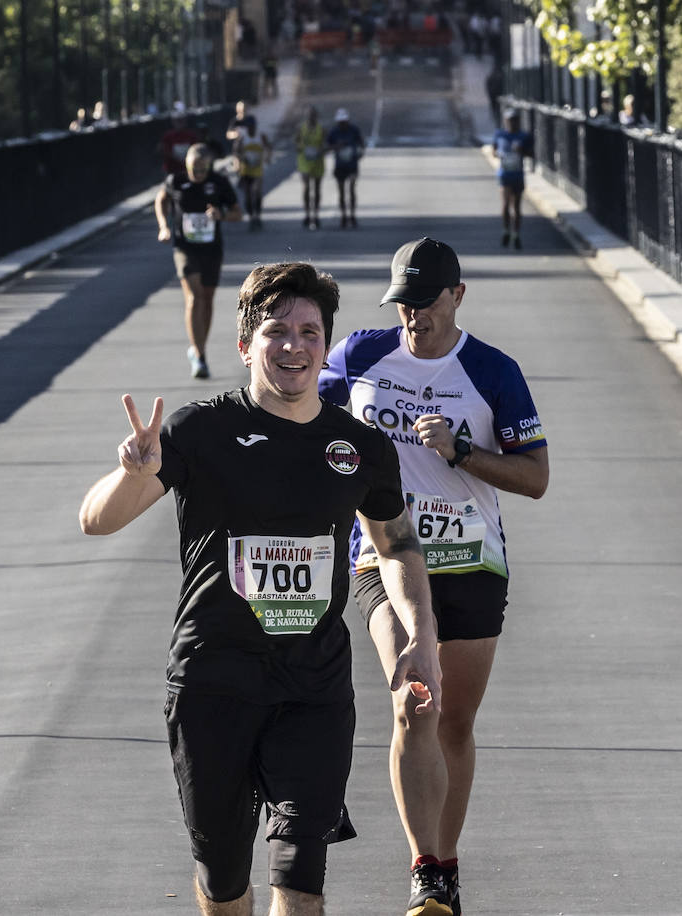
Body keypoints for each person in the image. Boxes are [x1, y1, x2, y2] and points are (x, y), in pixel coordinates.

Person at [79, 261, 444, 916]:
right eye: (277, 331)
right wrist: (134, 472)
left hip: (313, 689)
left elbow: (396, 545)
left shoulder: (357, 446)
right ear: (246, 345)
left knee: (301, 883)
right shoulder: (200, 431)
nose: (295, 347)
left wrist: (421, 636)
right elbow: (95, 520)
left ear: (324, 346)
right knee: (224, 884)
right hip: (212, 684)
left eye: (309, 332)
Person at [319, 237, 550, 916]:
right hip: (384, 554)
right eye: (403, 303)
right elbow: (299, 405)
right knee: (413, 701)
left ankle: (445, 868)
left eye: (426, 302)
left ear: (457, 296)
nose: (414, 316)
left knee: (453, 722)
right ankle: (426, 870)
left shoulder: (491, 371)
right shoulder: (359, 356)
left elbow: (536, 477)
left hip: (472, 558)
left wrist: (462, 451)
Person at [155, 144, 244, 379]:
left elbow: (238, 213)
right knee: (194, 297)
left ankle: (198, 348)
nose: (198, 174)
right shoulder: (176, 181)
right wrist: (164, 226)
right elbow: (161, 198)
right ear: (187, 165)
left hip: (211, 249)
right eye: (194, 168)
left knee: (207, 299)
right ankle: (200, 354)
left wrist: (221, 215)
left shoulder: (219, 183)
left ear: (209, 167)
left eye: (203, 169)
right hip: (185, 247)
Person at [492, 109, 533, 250]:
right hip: (504, 174)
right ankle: (505, 230)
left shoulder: (524, 136)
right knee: (505, 204)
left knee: (516, 206)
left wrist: (521, 150)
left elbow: (532, 153)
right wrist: (499, 153)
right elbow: (494, 151)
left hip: (517, 175)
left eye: (515, 120)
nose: (512, 122)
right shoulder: (500, 134)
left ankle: (516, 234)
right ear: (505, 121)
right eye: (510, 120)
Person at [327, 108, 366, 228]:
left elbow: (361, 144)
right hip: (340, 165)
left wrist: (360, 153)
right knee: (341, 192)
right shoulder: (334, 132)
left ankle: (352, 215)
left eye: (344, 121)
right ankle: (344, 216)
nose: (342, 124)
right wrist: (336, 146)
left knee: (352, 190)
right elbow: (327, 146)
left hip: (352, 164)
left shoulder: (354, 130)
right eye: (340, 122)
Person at [234, 116, 271, 231]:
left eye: (252, 126)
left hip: (257, 170)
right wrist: (241, 159)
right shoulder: (242, 138)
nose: (251, 129)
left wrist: (267, 158)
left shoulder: (261, 136)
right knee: (248, 196)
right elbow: (236, 152)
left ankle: (257, 216)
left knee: (257, 191)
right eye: (249, 127)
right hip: (246, 171)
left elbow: (269, 147)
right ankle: (251, 218)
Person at [295, 106, 327, 230]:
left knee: (317, 189)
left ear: (316, 116)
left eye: (313, 115)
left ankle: (316, 215)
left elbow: (325, 144)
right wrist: (299, 147)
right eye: (309, 115)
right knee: (307, 187)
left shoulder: (321, 129)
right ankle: (307, 214)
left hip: (318, 161)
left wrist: (321, 150)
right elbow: (296, 142)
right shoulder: (300, 128)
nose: (311, 117)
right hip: (304, 162)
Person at [160, 103, 202, 180]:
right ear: (173, 121)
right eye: (177, 120)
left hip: (189, 172)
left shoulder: (191, 135)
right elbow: (166, 152)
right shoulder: (168, 137)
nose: (179, 123)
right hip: (173, 172)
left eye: (181, 120)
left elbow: (197, 150)